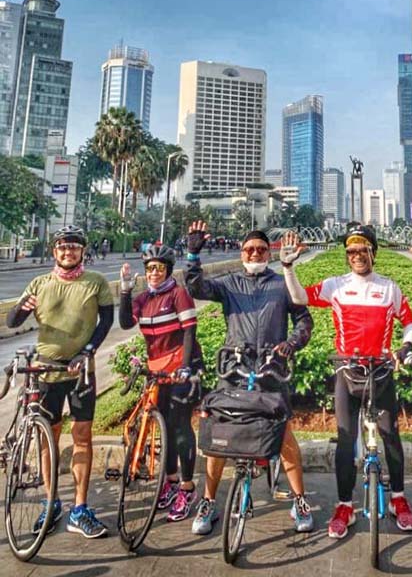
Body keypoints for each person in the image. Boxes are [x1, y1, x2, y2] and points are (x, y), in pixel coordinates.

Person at [281, 225, 412, 540]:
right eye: (351, 251)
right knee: (345, 440)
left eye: (363, 250)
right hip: (347, 373)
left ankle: (398, 498)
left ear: (373, 253)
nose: (357, 256)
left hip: (381, 373)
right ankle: (344, 506)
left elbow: (409, 321)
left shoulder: (389, 288)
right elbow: (299, 297)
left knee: (390, 436)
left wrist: (406, 346)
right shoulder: (336, 285)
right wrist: (287, 266)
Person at [185, 222, 314, 535]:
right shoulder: (229, 283)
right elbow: (197, 288)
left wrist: (291, 343)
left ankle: (299, 500)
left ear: (269, 253)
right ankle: (208, 501)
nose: (255, 253)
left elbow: (304, 321)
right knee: (218, 435)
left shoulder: (282, 284)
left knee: (284, 436)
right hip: (234, 369)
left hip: (271, 370)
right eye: (249, 249)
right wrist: (192, 256)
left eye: (261, 249)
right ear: (242, 253)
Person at [7, 225, 114, 538]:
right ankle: (51, 501)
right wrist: (20, 309)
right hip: (46, 371)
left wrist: (88, 351)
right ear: (55, 251)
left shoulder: (95, 281)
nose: (68, 252)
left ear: (83, 251)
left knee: (82, 435)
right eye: (63, 247)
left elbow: (106, 321)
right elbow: (13, 321)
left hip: (82, 372)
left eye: (74, 247)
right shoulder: (40, 283)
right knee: (48, 438)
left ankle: (79, 509)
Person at [119, 245, 203, 523]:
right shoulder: (143, 299)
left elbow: (189, 331)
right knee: (163, 426)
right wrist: (125, 291)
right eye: (150, 268)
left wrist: (186, 367)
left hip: (181, 366)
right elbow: (125, 323)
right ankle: (171, 481)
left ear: (168, 270)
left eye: (159, 268)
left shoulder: (178, 294)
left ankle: (187, 488)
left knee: (179, 426)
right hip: (157, 369)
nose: (154, 273)